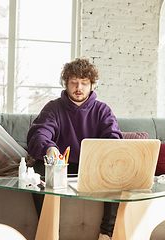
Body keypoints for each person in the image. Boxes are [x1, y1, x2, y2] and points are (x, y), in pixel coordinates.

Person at [27, 57, 123, 240]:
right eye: (74, 82)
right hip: (60, 166)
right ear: (66, 83)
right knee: (39, 169)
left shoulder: (103, 110)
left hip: (94, 167)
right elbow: (39, 133)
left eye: (84, 83)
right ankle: (50, 232)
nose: (78, 88)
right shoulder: (53, 108)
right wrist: (49, 149)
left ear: (91, 85)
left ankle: (107, 234)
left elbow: (114, 138)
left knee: (117, 174)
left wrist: (104, 153)